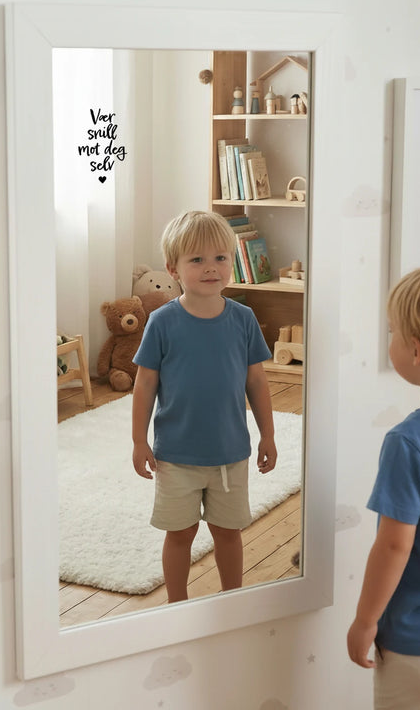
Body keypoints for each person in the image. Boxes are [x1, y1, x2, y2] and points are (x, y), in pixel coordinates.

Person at [131, 210, 277, 603]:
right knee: (180, 533)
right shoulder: (162, 322)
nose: (211, 268)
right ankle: (176, 605)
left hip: (230, 453)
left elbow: (257, 382)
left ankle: (232, 602)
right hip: (176, 455)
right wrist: (139, 441)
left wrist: (268, 435)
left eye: (220, 258)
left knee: (228, 532)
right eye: (197, 259)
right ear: (172, 268)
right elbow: (144, 385)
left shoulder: (244, 319)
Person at [347, 267, 420, 708]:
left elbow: (394, 545)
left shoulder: (407, 442)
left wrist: (365, 620)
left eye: (392, 331)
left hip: (413, 640)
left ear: (415, 350)